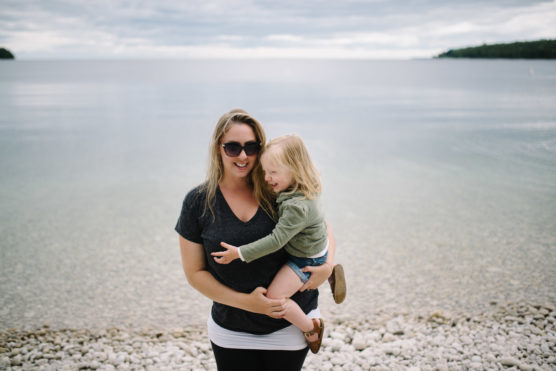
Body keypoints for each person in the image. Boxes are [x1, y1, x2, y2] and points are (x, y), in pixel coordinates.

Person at [175, 109, 337, 371]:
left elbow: (321, 227)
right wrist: (247, 303)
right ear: (219, 148)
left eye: (251, 147)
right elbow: (195, 273)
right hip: (231, 328)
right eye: (233, 147)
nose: (242, 155)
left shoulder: (277, 188)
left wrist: (327, 266)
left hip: (290, 328)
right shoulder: (197, 202)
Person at [212, 134, 347, 354]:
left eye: (273, 172)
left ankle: (311, 327)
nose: (267, 178)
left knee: (275, 300)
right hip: (314, 247)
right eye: (264, 171)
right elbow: (320, 224)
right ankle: (329, 275)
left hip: (304, 258)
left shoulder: (296, 207)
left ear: (295, 168)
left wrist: (240, 253)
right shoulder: (302, 189)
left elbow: (276, 240)